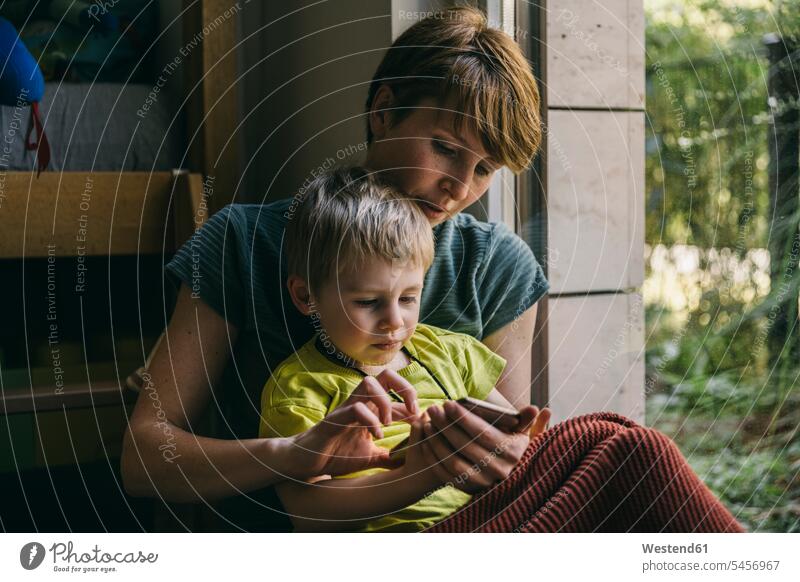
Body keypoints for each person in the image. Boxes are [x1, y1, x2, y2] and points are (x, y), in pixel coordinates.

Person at [121, 6, 744, 533]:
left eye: (483, 170)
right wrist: (297, 454)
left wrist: (485, 447)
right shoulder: (244, 243)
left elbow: (504, 462)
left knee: (623, 445)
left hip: (471, 522)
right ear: (385, 111)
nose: (456, 189)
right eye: (445, 148)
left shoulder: (497, 265)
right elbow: (145, 458)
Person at [259, 166, 550, 532]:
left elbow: (511, 434)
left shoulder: (450, 353)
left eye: (409, 297)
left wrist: (525, 434)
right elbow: (308, 511)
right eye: (368, 301)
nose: (394, 321)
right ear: (306, 295)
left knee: (606, 437)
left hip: (497, 516)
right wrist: (421, 474)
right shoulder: (301, 387)